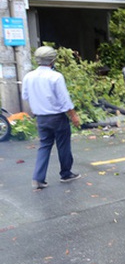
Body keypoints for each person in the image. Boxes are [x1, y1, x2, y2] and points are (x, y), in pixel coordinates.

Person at [21, 46, 82, 189]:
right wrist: (73, 115)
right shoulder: (56, 76)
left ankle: (38, 178)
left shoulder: (28, 76)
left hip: (41, 118)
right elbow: (64, 100)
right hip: (57, 117)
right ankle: (66, 174)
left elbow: (25, 96)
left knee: (44, 146)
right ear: (52, 60)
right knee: (63, 145)